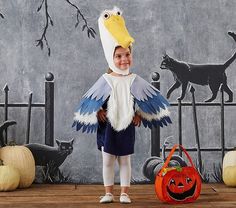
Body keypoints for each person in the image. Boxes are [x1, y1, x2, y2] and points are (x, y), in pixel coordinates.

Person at [72, 7, 172, 204]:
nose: (124, 59)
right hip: (108, 127)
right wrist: (98, 110)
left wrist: (139, 115)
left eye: (127, 54)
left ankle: (124, 193)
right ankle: (109, 192)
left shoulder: (134, 80)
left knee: (125, 160)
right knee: (108, 160)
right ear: (111, 57)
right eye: (119, 56)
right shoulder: (105, 80)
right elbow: (90, 101)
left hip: (126, 126)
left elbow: (145, 100)